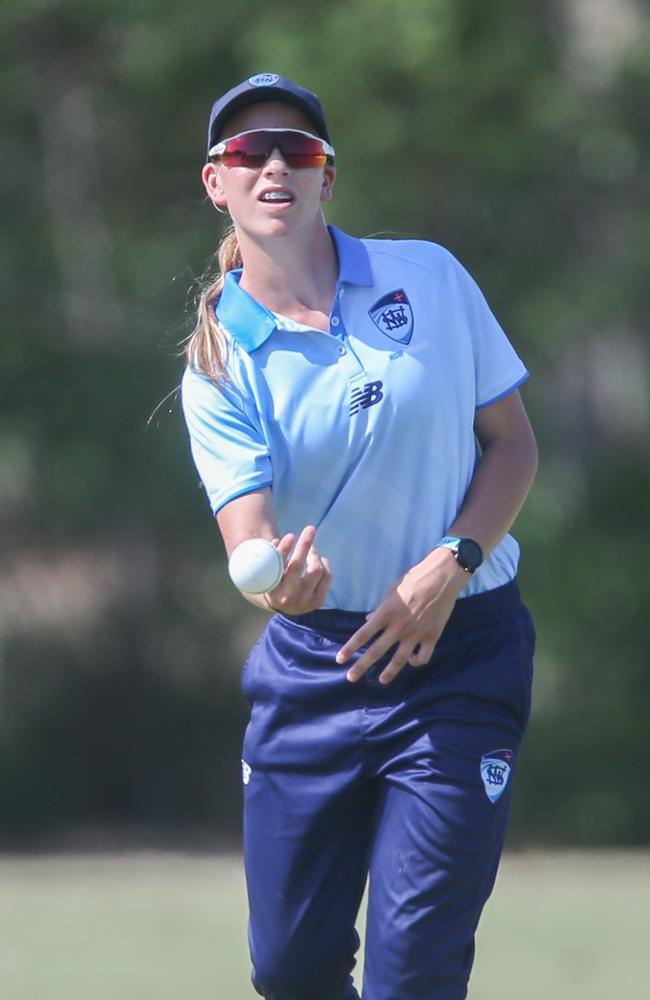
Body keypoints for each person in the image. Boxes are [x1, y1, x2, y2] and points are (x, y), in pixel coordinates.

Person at [181, 71, 538, 1000]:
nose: (273, 166)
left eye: (296, 150)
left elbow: (512, 445)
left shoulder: (431, 276)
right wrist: (278, 589)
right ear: (214, 183)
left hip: (462, 656)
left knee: (414, 968)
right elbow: (250, 547)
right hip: (316, 667)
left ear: (326, 178)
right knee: (291, 969)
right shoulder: (221, 359)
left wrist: (451, 565)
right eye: (246, 152)